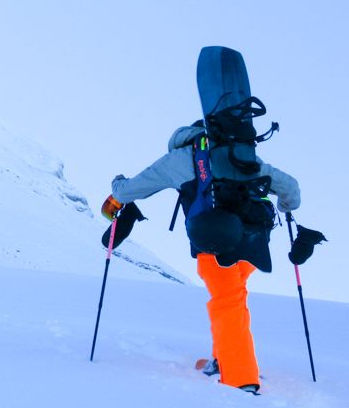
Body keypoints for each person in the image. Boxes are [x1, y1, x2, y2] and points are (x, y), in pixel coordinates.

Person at [101, 124, 322, 394]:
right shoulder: (239, 153)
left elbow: (127, 191)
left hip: (215, 242)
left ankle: (241, 379)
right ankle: (224, 360)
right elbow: (290, 188)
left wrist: (117, 182)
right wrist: (285, 206)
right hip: (255, 242)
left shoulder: (181, 157)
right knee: (234, 298)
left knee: (227, 302)